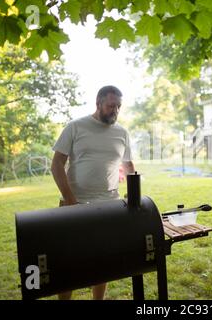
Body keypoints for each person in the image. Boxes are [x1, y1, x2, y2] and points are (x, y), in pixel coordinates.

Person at [50, 85, 135, 300]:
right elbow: (57, 164)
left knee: (102, 259)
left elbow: (129, 164)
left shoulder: (122, 132)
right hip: (74, 204)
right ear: (98, 103)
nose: (115, 111)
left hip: (109, 205)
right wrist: (70, 200)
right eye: (110, 106)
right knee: (68, 262)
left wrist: (134, 191)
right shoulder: (76, 127)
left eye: (118, 107)